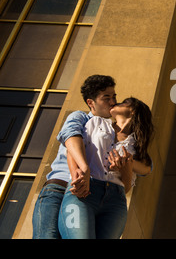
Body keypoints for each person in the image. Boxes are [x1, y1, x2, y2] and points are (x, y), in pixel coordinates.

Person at [32, 75, 117, 239]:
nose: (113, 102)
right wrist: (83, 167)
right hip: (58, 189)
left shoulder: (115, 131)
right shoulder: (80, 117)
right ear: (90, 103)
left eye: (114, 96)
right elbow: (70, 135)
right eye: (107, 98)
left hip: (89, 195)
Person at [58, 97, 154, 239]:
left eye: (123, 102)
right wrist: (75, 174)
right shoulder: (96, 122)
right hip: (86, 190)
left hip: (115, 201)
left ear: (133, 110)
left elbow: (133, 181)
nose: (116, 103)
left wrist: (124, 167)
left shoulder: (136, 146)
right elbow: (72, 149)